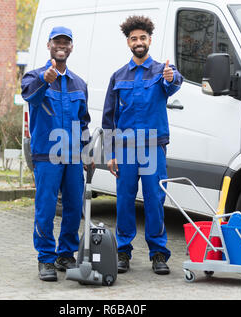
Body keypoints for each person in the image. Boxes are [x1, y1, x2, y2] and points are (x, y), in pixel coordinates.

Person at [102, 16, 183, 275]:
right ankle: (123, 252)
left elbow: (174, 83)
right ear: (128, 42)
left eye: (143, 38)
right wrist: (110, 153)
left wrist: (171, 77)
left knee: (154, 199)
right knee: (124, 201)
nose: (139, 42)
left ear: (150, 40)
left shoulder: (162, 71)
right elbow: (109, 118)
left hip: (152, 147)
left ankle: (158, 253)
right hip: (125, 150)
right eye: (134, 38)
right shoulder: (118, 76)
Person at [21, 26, 91, 281]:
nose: (62, 45)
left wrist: (88, 152)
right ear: (49, 45)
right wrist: (44, 80)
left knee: (74, 207)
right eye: (57, 41)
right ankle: (46, 259)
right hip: (46, 155)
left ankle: (65, 254)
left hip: (73, 156)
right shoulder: (33, 76)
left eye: (66, 42)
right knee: (46, 208)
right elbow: (29, 96)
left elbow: (83, 122)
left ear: (71, 47)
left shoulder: (79, 83)